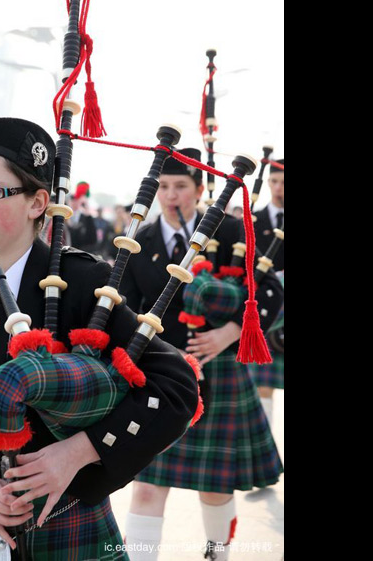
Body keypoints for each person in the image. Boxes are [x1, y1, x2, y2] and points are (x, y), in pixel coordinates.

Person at [0, 115, 199, 560]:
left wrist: (78, 452)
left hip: (71, 527)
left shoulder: (84, 284)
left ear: (38, 202)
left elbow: (174, 387)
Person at [118, 149, 284, 560]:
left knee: (215, 487)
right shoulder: (141, 240)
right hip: (158, 375)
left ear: (197, 189)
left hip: (220, 371)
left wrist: (230, 333)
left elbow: (268, 293)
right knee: (147, 486)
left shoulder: (230, 231)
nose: (172, 196)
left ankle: (217, 555)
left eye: (181, 187)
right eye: (164, 187)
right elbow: (128, 305)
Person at [249, 159, 284, 425]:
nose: (278, 188)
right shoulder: (253, 221)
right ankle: (267, 433)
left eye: (284, 183)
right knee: (262, 386)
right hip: (267, 307)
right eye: (274, 181)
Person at [66, 181, 99, 253]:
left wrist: (88, 214)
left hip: (80, 251)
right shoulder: (65, 216)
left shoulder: (85, 217)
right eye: (72, 199)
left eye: (76, 199)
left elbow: (93, 239)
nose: (74, 202)